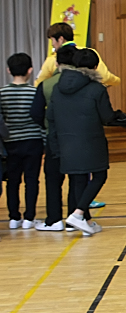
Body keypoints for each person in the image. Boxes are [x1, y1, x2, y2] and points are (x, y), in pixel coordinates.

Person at [46, 48, 115, 237]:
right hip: (91, 140)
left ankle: (86, 221)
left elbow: (50, 116)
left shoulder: (57, 88)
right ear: (95, 67)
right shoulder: (97, 89)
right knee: (99, 176)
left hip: (65, 140)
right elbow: (107, 117)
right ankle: (77, 214)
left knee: (78, 180)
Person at [28, 45, 78, 231]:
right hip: (77, 137)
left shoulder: (46, 85)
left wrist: (47, 126)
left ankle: (54, 219)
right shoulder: (84, 83)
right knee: (77, 178)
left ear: (57, 62)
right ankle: (75, 218)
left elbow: (35, 112)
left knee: (53, 179)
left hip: (54, 137)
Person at [2, 53, 45, 229]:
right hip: (33, 142)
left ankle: (13, 217)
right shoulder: (35, 92)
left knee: (12, 181)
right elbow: (40, 118)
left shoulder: (2, 93)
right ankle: (29, 218)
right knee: (31, 180)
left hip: (10, 143)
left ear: (8, 70)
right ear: (30, 70)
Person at [34, 22, 120, 87]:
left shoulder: (52, 59)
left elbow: (39, 84)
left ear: (60, 39)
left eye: (52, 40)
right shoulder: (89, 52)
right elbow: (105, 77)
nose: (52, 44)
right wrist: (117, 81)